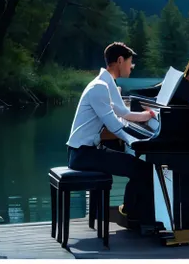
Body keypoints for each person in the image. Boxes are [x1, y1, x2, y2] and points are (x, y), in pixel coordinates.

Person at [66, 42, 158, 233]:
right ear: (119, 60)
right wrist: (136, 141)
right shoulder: (100, 87)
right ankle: (135, 217)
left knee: (141, 169)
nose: (131, 67)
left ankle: (133, 214)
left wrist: (148, 117)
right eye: (130, 63)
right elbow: (114, 125)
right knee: (143, 170)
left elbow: (123, 113)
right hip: (83, 154)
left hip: (87, 151)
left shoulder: (106, 83)